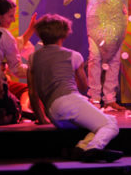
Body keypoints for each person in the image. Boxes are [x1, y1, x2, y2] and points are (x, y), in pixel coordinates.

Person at [28, 13, 123, 162]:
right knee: (111, 125)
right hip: (69, 101)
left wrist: (42, 118)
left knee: (105, 120)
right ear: (64, 34)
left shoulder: (33, 57)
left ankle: (81, 148)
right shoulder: (74, 56)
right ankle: (94, 149)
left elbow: (32, 93)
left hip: (52, 112)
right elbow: (84, 87)